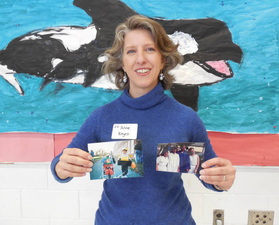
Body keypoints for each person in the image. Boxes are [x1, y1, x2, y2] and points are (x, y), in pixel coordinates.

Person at [51, 15, 236, 225]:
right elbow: (61, 165)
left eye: (150, 49)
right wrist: (61, 167)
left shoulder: (186, 118)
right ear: (122, 62)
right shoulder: (102, 117)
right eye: (131, 51)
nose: (141, 59)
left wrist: (222, 179)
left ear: (163, 59)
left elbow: (210, 174)